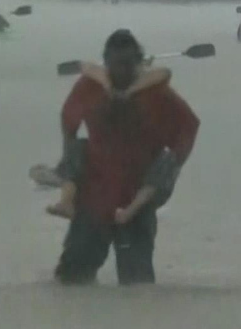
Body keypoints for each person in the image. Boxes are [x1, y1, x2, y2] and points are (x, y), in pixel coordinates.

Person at [52, 29, 200, 286]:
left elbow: (189, 126)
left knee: (136, 284)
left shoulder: (157, 95)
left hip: (136, 202)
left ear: (138, 64)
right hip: (94, 198)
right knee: (72, 280)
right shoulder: (91, 87)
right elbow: (68, 122)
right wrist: (72, 161)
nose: (121, 70)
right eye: (116, 65)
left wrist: (169, 167)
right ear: (106, 63)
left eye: (127, 65)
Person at [36, 62, 173, 219]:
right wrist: (109, 81)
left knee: (163, 159)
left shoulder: (146, 88)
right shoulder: (110, 86)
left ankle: (131, 210)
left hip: (136, 160)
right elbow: (88, 68)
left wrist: (129, 83)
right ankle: (66, 203)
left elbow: (164, 72)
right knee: (78, 147)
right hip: (112, 157)